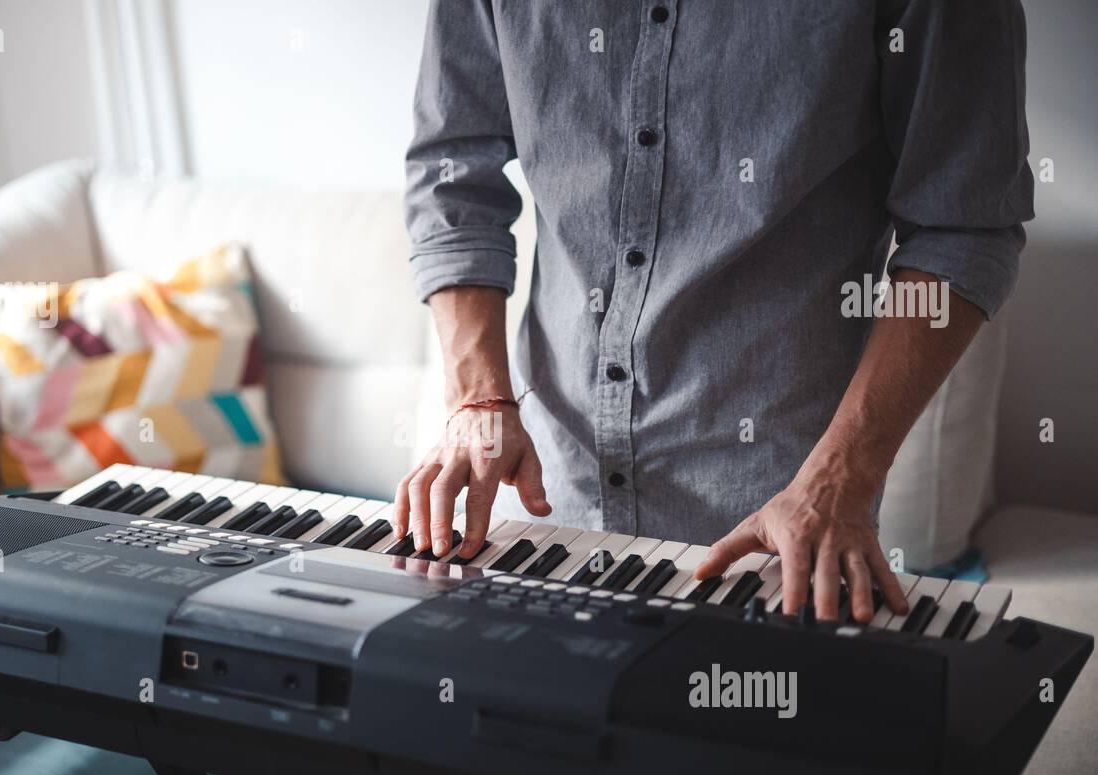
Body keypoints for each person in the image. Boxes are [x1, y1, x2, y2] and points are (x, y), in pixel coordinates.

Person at [396, 0, 1033, 630]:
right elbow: (451, 178)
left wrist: (843, 478)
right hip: (543, 501)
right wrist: (478, 401)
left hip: (781, 524)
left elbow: (963, 224)